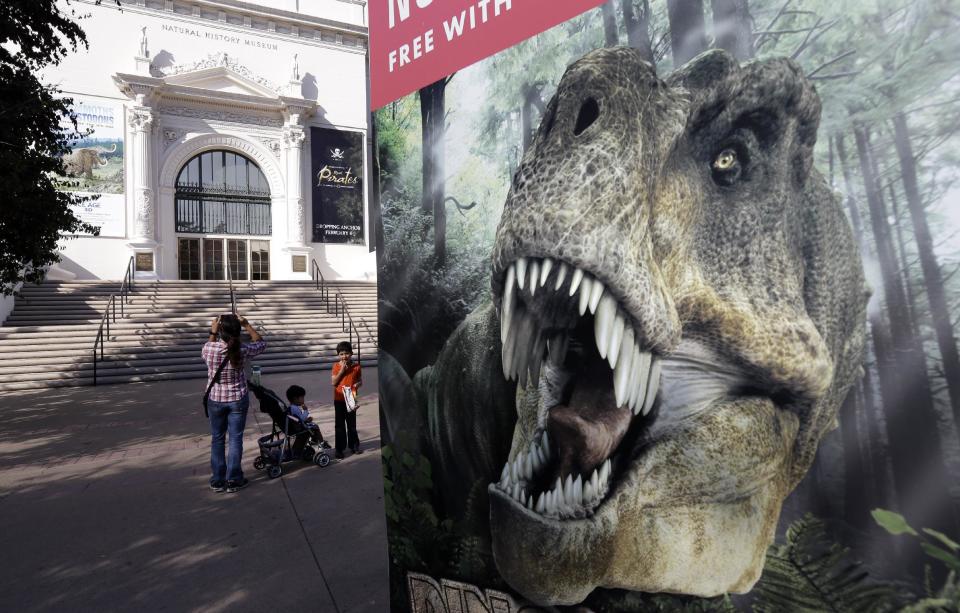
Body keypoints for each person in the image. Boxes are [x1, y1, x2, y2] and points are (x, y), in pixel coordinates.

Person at [203, 313, 266, 493]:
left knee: (217, 438)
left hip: (215, 399)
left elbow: (210, 344)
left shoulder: (209, 349)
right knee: (235, 438)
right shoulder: (243, 350)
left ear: (220, 331)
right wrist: (247, 325)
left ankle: (218, 480)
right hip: (237, 399)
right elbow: (262, 343)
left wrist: (213, 331)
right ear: (237, 332)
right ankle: (234, 479)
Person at [331, 341, 362, 459]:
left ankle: (354, 445)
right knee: (339, 425)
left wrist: (356, 385)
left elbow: (360, 380)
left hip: (351, 398)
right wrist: (342, 371)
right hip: (339, 399)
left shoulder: (357, 366)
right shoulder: (336, 366)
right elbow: (334, 382)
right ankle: (339, 449)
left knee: (352, 424)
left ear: (351, 353)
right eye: (341, 354)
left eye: (347, 353)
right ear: (338, 355)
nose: (344, 356)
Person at [285, 384, 329, 457]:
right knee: (315, 427)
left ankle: (316, 441)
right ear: (296, 398)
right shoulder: (294, 408)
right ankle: (321, 442)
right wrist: (305, 410)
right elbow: (301, 419)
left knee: (313, 426)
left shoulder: (292, 407)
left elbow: (298, 419)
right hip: (300, 427)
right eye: (302, 397)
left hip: (298, 425)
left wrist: (307, 420)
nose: (303, 399)